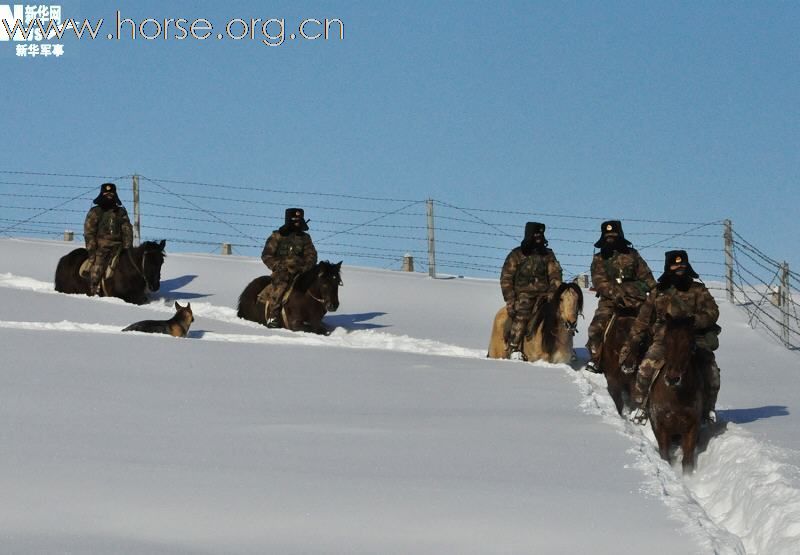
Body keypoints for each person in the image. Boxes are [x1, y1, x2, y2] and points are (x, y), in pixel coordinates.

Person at [620, 250, 721, 422]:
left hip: (694, 339)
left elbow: (713, 312)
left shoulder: (698, 290)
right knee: (645, 368)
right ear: (668, 267)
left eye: (682, 264)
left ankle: (708, 409)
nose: (679, 268)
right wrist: (632, 343)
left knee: (712, 372)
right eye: (675, 264)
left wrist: (694, 321)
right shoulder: (658, 292)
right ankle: (642, 406)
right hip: (664, 340)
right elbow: (643, 319)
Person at [585, 220, 656, 373]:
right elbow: (599, 282)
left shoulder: (633, 254)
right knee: (595, 329)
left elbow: (647, 276)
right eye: (608, 235)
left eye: (614, 235)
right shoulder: (599, 258)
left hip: (636, 299)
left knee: (654, 324)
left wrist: (653, 291)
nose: (611, 238)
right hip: (610, 301)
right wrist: (616, 293)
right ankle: (596, 359)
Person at [500, 222, 563, 360]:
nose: (538, 237)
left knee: (562, 314)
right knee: (523, 314)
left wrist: (553, 292)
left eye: (540, 234)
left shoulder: (548, 255)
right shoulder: (516, 254)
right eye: (535, 234)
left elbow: (555, 275)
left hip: (545, 295)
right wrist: (511, 300)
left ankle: (564, 347)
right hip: (523, 295)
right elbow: (506, 279)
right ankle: (514, 347)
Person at [260, 208, 318, 328]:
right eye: (295, 220)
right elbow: (267, 255)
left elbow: (311, 256)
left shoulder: (305, 238)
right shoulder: (277, 236)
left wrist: (305, 267)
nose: (297, 223)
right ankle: (273, 316)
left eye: (299, 220)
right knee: (281, 285)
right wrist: (279, 266)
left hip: (301, 271)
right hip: (282, 272)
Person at [83, 182, 133, 296]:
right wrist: (92, 250)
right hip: (101, 247)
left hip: (119, 247)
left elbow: (127, 230)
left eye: (111, 193)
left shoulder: (121, 212)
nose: (109, 196)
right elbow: (89, 232)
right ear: (101, 194)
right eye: (106, 193)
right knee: (98, 267)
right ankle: (94, 289)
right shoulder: (95, 211)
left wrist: (128, 247)